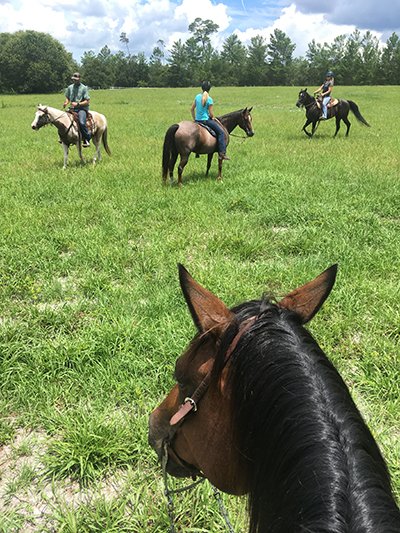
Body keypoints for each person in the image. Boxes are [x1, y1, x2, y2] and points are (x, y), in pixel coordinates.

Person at [190, 81, 230, 161]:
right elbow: (211, 115)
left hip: (197, 120)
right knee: (221, 132)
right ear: (209, 89)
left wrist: (195, 119)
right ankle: (222, 153)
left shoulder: (197, 97)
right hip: (206, 121)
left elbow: (192, 109)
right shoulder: (209, 99)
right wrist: (211, 117)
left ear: (202, 88)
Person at [63, 73, 91, 147]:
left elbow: (87, 101)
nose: (74, 81)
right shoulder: (70, 87)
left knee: (81, 122)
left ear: (79, 79)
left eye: (76, 79)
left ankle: (86, 139)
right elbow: (67, 97)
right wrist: (66, 102)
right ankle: (64, 137)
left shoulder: (83, 88)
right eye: (73, 79)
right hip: (72, 109)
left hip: (81, 109)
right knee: (62, 119)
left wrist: (77, 104)